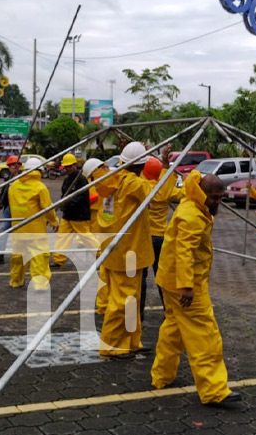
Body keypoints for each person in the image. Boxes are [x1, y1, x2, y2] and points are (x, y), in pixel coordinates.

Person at [151, 172, 241, 406]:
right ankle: (214, 391)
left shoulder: (191, 203)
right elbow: (184, 252)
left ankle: (161, 375)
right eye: (214, 197)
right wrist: (187, 287)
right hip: (185, 285)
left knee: (174, 328)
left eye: (221, 198)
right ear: (202, 193)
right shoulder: (192, 216)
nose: (218, 202)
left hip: (171, 280)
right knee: (205, 335)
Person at [97, 141, 154, 360]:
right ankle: (111, 346)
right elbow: (155, 193)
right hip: (127, 251)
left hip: (117, 249)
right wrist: (164, 167)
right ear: (141, 166)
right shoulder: (132, 183)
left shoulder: (112, 180)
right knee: (123, 301)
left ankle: (131, 342)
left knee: (131, 299)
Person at [140, 145, 182, 320]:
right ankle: (169, 312)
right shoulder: (164, 188)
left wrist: (144, 155)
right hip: (160, 237)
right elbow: (179, 194)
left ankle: (138, 315)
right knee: (162, 277)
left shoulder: (141, 186)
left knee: (140, 280)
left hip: (143, 238)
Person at [8, 157, 59, 291]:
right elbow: (48, 207)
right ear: (39, 171)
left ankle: (16, 280)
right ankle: (40, 285)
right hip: (36, 230)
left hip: (18, 229)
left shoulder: (14, 185)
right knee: (39, 258)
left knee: (18, 257)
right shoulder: (40, 187)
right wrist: (54, 221)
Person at [52, 153, 100, 269]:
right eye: (66, 167)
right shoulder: (67, 180)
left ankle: (102, 255)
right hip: (68, 215)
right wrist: (62, 204)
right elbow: (64, 195)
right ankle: (59, 259)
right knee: (62, 236)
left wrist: (66, 204)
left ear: (76, 165)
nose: (68, 169)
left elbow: (81, 197)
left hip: (80, 215)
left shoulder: (82, 180)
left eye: (70, 166)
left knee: (87, 238)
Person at [82, 157, 112, 315]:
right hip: (99, 228)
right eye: (104, 167)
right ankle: (103, 304)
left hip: (102, 227)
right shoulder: (98, 182)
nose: (107, 168)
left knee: (104, 270)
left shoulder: (106, 181)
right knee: (105, 270)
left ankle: (103, 304)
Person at [0, 155, 22, 265]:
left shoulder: (24, 177)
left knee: (20, 233)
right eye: (12, 165)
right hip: (9, 208)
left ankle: (21, 255)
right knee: (2, 230)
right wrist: (0, 203)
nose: (14, 167)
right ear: (9, 167)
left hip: (20, 208)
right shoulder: (7, 178)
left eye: (16, 165)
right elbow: (4, 192)